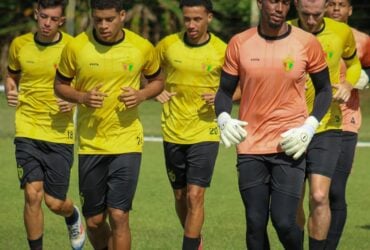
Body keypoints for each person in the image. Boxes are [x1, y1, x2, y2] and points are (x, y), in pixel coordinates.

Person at [214, 0, 333, 249]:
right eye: (272, 1)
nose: (278, 8)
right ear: (260, 3)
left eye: (284, 2)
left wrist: (309, 127)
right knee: (255, 222)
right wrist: (223, 117)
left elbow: (324, 90)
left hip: (290, 145)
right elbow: (224, 92)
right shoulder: (239, 42)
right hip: (250, 146)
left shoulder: (306, 42)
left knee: (284, 222)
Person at [53, 0, 164, 249]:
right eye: (98, 19)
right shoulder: (76, 47)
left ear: (122, 15)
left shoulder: (141, 47)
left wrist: (142, 94)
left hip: (127, 140)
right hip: (91, 144)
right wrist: (81, 97)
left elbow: (158, 80)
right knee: (94, 221)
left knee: (119, 214)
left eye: (109, 19)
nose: (103, 25)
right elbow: (59, 85)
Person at [4, 0, 86, 250]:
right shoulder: (20, 45)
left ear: (61, 21)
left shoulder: (73, 47)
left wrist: (73, 101)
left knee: (53, 202)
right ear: (37, 15)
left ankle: (71, 214)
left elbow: (86, 83)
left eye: (53, 19)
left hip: (59, 134)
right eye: (43, 17)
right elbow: (11, 75)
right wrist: (11, 89)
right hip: (27, 128)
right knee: (32, 194)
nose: (47, 23)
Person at [290, 0, 362, 249]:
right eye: (306, 15)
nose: (311, 21)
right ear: (296, 6)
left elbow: (354, 65)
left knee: (321, 195)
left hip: (328, 125)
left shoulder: (342, 32)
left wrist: (348, 84)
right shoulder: (283, 32)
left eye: (317, 15)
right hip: (291, 127)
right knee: (294, 201)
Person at [155, 0, 226, 249]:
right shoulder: (167, 45)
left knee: (196, 195)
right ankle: (195, 239)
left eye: (197, 19)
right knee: (180, 195)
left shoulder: (222, 50)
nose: (191, 24)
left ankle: (189, 245)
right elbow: (145, 69)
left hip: (205, 130)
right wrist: (152, 90)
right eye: (187, 19)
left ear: (209, 17)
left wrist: (222, 96)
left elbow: (240, 86)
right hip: (173, 129)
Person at [324, 0, 370, 248]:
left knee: (335, 190)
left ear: (350, 10)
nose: (336, 9)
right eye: (331, 4)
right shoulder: (310, 36)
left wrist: (361, 79)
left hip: (346, 121)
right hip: (310, 120)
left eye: (341, 4)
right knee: (308, 194)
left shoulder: (362, 40)